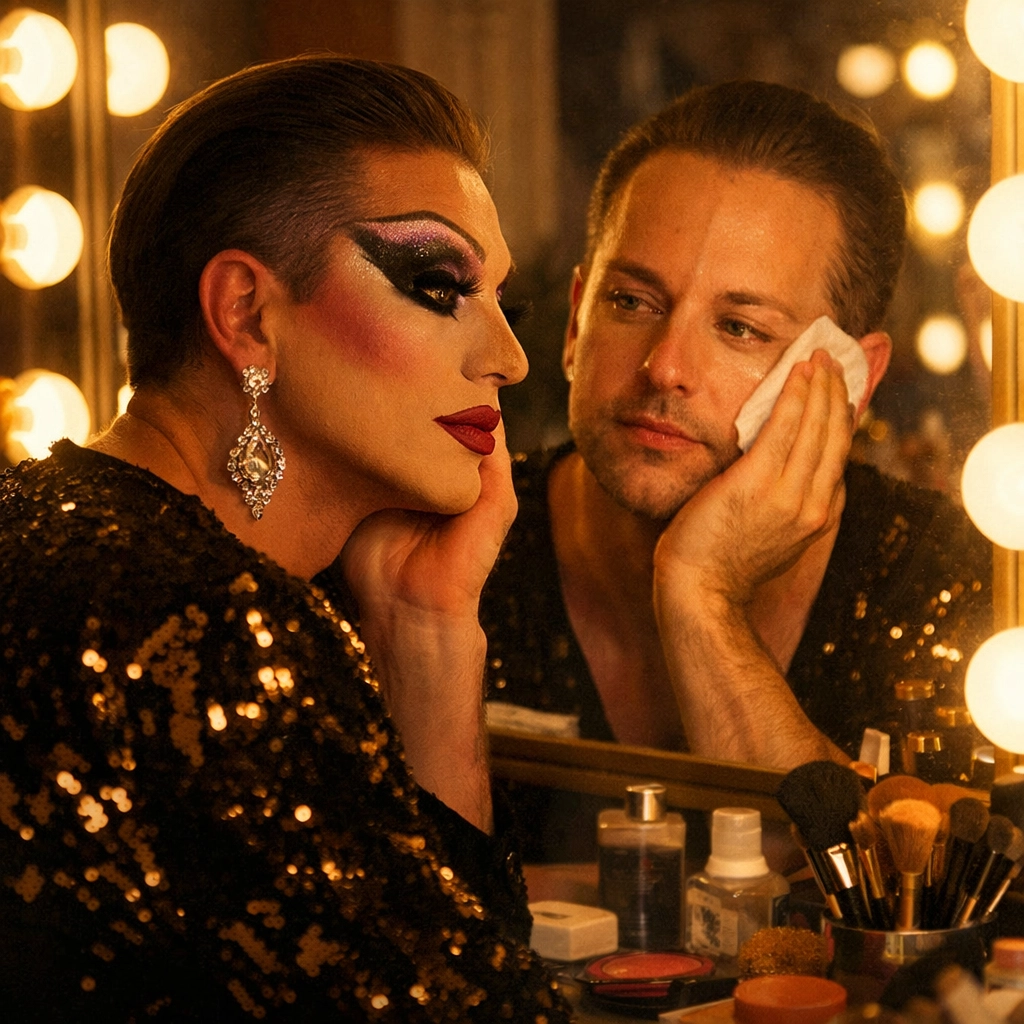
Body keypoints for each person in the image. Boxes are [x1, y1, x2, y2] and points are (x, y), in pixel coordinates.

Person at [0, 57, 573, 1022]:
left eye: (503, 301)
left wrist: (426, 625)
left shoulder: (38, 516)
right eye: (442, 287)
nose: (508, 358)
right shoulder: (212, 633)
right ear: (246, 313)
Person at [482, 82, 991, 785]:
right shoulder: (462, 551)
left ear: (852, 379)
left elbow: (895, 894)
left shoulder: (953, 590)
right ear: (576, 323)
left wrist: (702, 593)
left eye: (739, 328)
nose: (664, 368)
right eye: (631, 302)